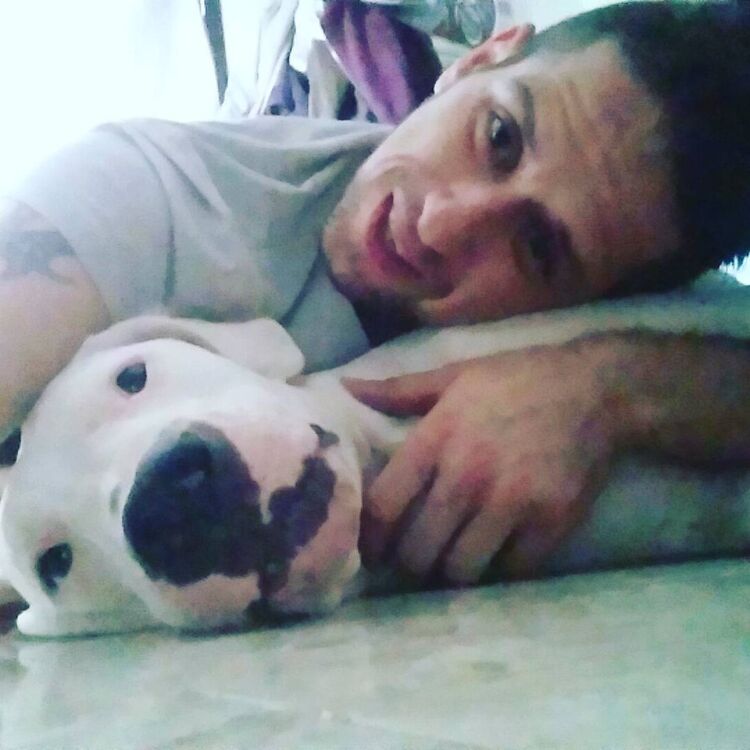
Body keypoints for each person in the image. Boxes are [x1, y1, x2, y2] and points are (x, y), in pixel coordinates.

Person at [0, 2, 748, 584]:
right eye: (499, 136)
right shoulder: (153, 194)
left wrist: (606, 389)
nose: (444, 223)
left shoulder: (624, 323)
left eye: (538, 247)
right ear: (478, 59)